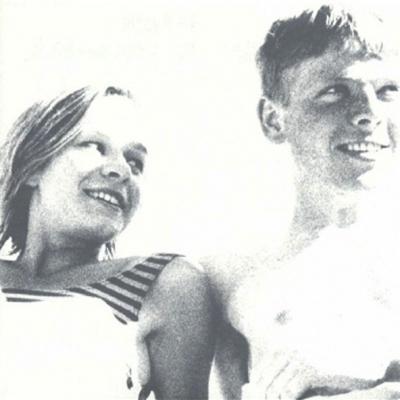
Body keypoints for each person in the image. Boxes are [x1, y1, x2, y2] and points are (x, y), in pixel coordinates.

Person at [203, 4, 400, 399]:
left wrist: (372, 368)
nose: (369, 114)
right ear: (273, 120)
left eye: (387, 92)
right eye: (335, 92)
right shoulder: (228, 276)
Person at [0, 85, 216, 399]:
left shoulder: (165, 283)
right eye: (94, 146)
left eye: (135, 161)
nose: (121, 170)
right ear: (33, 166)